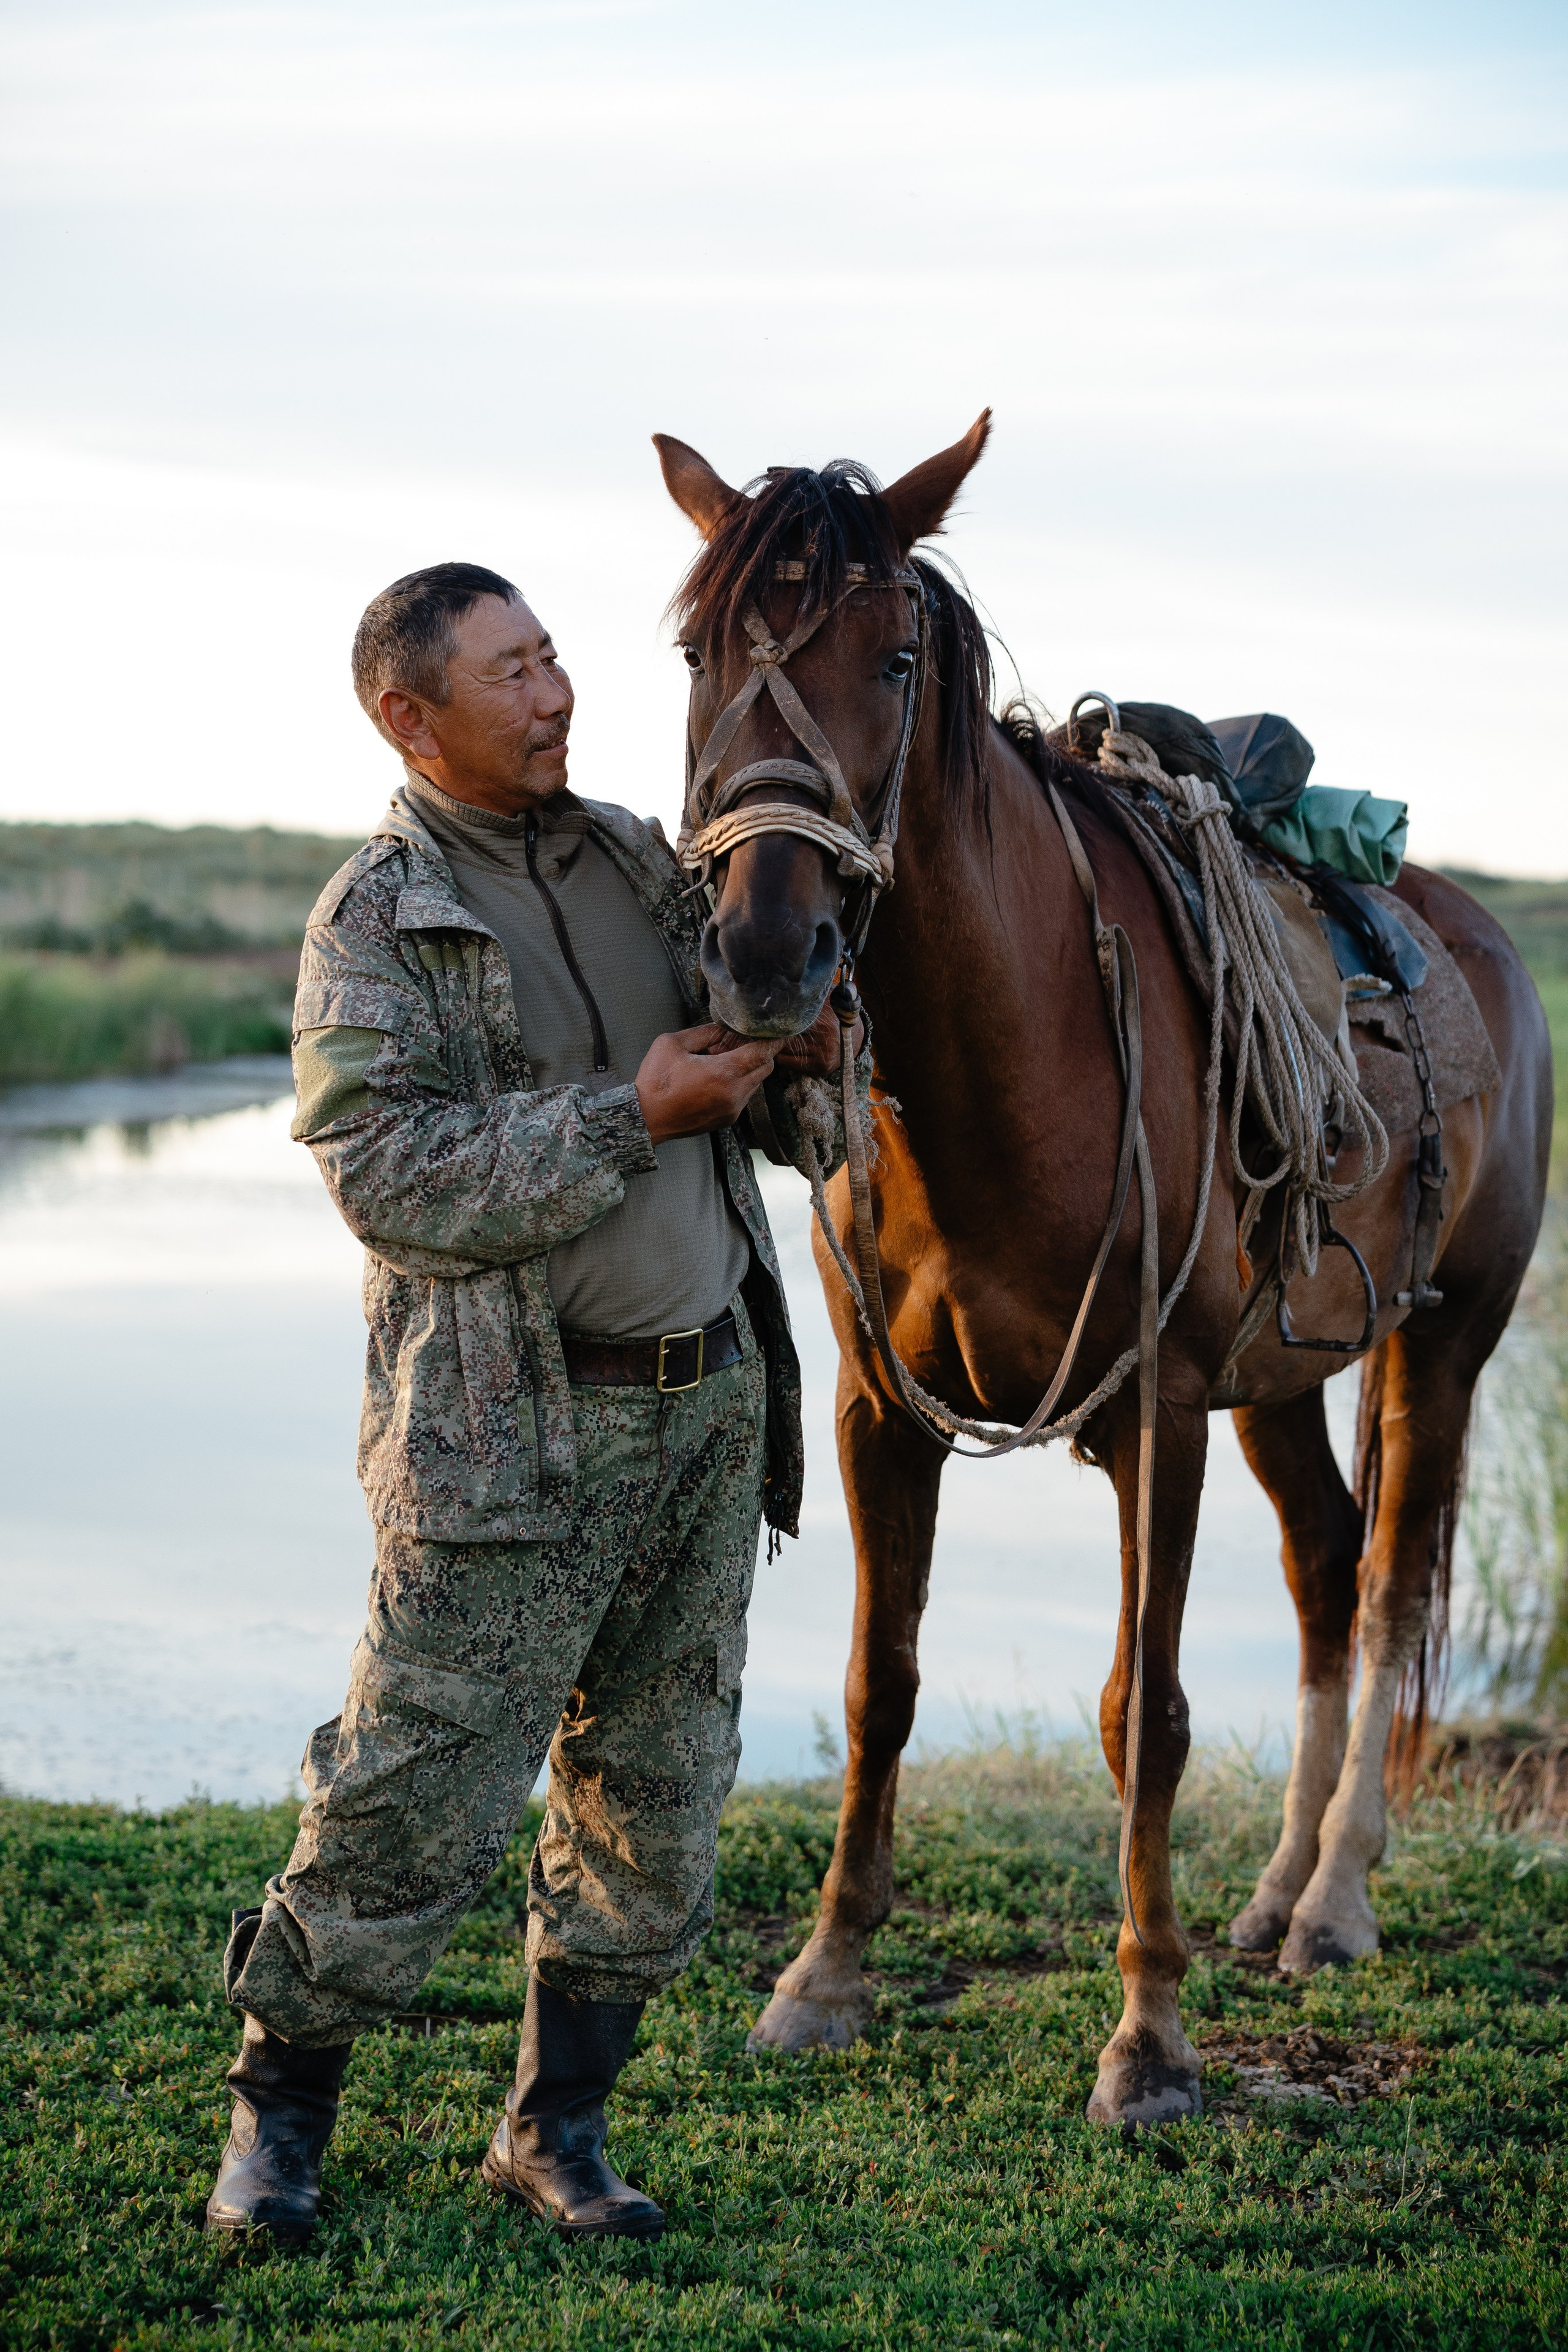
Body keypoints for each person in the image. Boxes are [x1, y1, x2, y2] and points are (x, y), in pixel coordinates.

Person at [204, 561, 864, 2246]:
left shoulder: (650, 858)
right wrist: (624, 1118)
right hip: (508, 1444)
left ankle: (555, 2132)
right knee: (404, 1797)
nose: (558, 693)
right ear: (408, 714)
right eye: (511, 672)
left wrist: (798, 1070)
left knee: (655, 1807)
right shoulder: (379, 918)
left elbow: (776, 1115)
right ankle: (274, 2128)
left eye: (557, 655)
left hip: (707, 1418)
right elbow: (388, 1175)